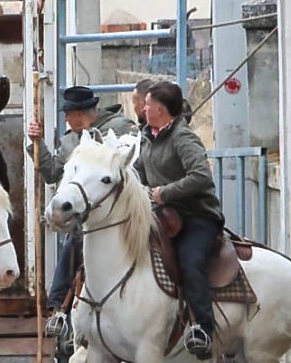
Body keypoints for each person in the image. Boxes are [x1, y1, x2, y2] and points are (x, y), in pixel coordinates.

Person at [26, 86, 138, 337]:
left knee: (75, 241)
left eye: (68, 113)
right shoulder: (70, 141)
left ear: (80, 113)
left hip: (117, 210)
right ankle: (59, 310)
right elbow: (52, 173)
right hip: (84, 214)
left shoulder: (120, 129)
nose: (66, 119)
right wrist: (37, 143)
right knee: (75, 239)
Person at [135, 80, 223, 359]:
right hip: (162, 216)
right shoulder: (147, 137)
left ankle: (203, 330)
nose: (143, 108)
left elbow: (201, 176)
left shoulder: (183, 138)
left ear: (160, 109)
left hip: (196, 216)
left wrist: (165, 193)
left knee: (190, 261)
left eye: (147, 104)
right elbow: (138, 172)